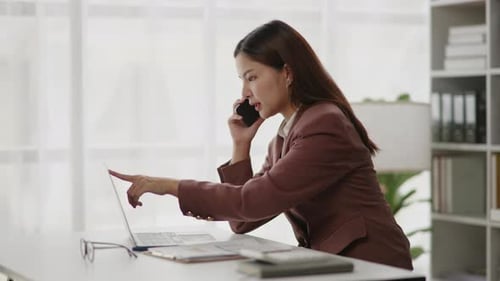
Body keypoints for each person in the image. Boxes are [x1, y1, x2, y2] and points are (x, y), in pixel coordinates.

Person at [109, 19, 413, 270]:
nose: (245, 93)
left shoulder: (325, 124)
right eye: (242, 80)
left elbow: (252, 202)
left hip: (372, 265)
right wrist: (241, 146)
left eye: (251, 78)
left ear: (288, 72)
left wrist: (167, 185)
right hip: (335, 263)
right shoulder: (285, 135)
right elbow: (243, 222)